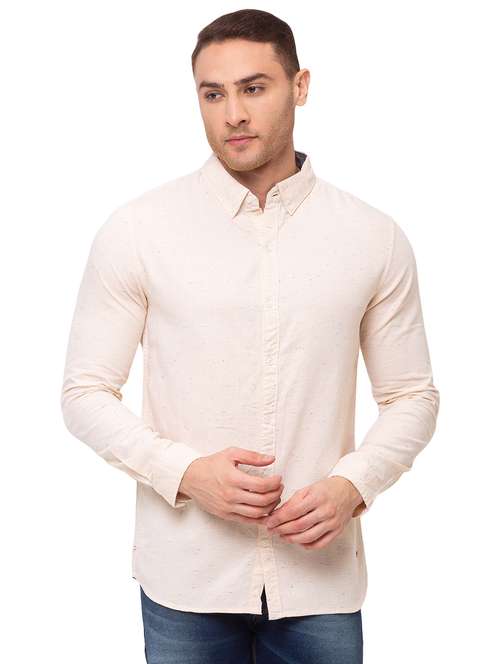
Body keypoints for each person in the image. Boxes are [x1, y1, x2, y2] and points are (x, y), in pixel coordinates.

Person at [60, 8, 440, 663]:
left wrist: (354, 484)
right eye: (213, 94)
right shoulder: (138, 231)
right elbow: (84, 392)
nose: (233, 114)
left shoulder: (372, 237)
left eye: (253, 88)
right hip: (186, 577)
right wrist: (185, 474)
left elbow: (413, 395)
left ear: (300, 86)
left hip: (319, 581)